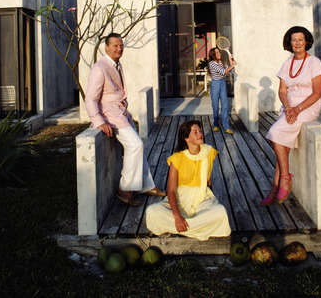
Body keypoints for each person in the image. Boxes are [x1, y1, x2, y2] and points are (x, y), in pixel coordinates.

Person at [85, 33, 166, 206]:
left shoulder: (116, 64)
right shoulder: (100, 68)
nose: (119, 49)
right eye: (115, 46)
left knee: (139, 147)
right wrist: (99, 121)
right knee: (135, 145)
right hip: (111, 117)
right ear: (106, 47)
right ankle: (124, 189)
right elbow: (90, 98)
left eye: (121, 45)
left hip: (122, 114)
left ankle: (145, 185)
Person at [261, 26, 321, 206]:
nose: (297, 43)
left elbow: (318, 92)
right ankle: (276, 187)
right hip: (289, 107)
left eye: (300, 39)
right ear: (289, 43)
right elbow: (282, 90)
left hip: (308, 105)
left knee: (275, 133)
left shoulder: (315, 62)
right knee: (283, 144)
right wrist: (289, 106)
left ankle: (285, 180)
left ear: (307, 42)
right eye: (293, 40)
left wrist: (298, 109)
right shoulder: (287, 64)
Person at [145, 120, 231, 241]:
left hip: (202, 198)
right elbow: (171, 191)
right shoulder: (177, 158)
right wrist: (177, 216)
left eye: (200, 131)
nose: (200, 134)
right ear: (186, 138)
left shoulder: (209, 152)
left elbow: (208, 181)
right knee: (152, 211)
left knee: (220, 212)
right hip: (181, 197)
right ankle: (195, 228)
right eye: (195, 132)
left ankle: (181, 228)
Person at [207, 47, 237, 134]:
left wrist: (229, 59)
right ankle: (215, 124)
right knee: (215, 106)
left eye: (219, 52)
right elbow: (223, 72)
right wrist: (232, 65)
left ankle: (226, 127)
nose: (219, 54)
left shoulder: (221, 62)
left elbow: (232, 70)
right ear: (213, 55)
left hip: (222, 83)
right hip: (215, 84)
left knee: (225, 106)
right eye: (216, 53)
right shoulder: (211, 63)